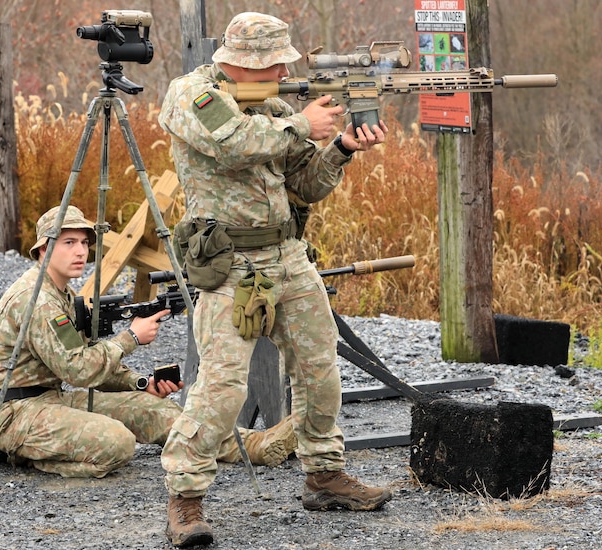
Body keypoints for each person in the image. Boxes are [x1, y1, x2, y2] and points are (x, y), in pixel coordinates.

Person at [158, 12, 393, 548]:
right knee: (221, 388)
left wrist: (341, 149)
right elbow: (232, 142)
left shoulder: (276, 106)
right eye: (276, 61)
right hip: (232, 264)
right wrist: (301, 124)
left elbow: (304, 186)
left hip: (288, 255)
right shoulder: (192, 94)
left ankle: (324, 475)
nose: (286, 68)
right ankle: (185, 498)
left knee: (319, 372)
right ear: (245, 61)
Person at [0, 204, 297, 478]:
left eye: (84, 243)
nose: (79, 251)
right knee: (117, 443)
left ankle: (253, 446)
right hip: (12, 412)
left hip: (47, 400)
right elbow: (80, 371)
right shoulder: (37, 299)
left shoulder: (61, 292)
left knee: (153, 409)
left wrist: (141, 383)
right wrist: (130, 338)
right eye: (68, 242)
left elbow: (86, 356)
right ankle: (26, 454)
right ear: (44, 249)